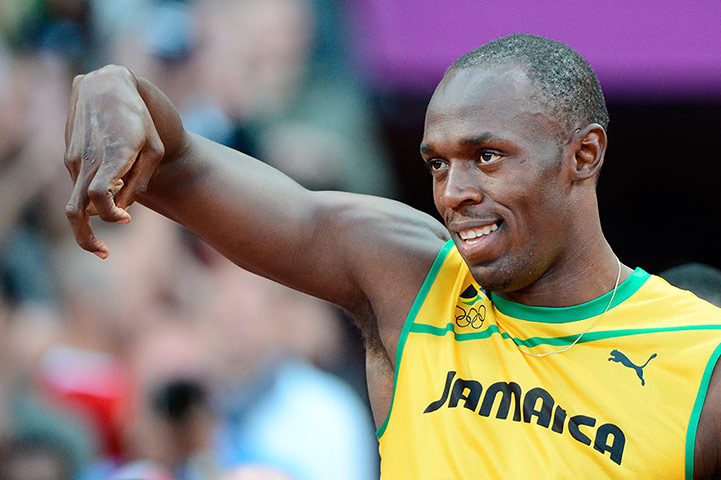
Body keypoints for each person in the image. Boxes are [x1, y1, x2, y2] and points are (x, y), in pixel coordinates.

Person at [62, 33, 721, 479]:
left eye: (487, 157)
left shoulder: (700, 359)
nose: (455, 193)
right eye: (438, 164)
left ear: (583, 155)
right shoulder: (408, 279)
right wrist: (122, 90)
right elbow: (184, 169)